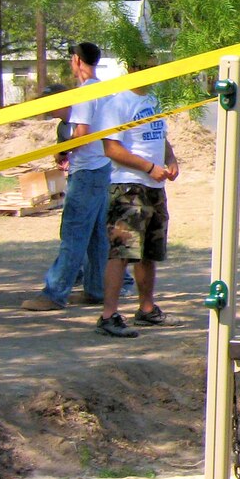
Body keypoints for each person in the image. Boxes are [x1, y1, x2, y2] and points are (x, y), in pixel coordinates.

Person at [24, 45, 113, 312]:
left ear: (76, 60)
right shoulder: (105, 91)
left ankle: (55, 293)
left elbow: (83, 133)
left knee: (73, 232)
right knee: (98, 235)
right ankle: (97, 289)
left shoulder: (85, 93)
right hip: (104, 167)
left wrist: (61, 150)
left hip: (86, 171)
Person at [97, 73, 178, 337]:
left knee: (149, 252)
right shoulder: (117, 103)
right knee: (122, 251)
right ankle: (108, 316)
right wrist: (148, 167)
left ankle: (146, 309)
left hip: (155, 187)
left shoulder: (154, 99)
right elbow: (112, 148)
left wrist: (171, 159)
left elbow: (160, 137)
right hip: (129, 186)